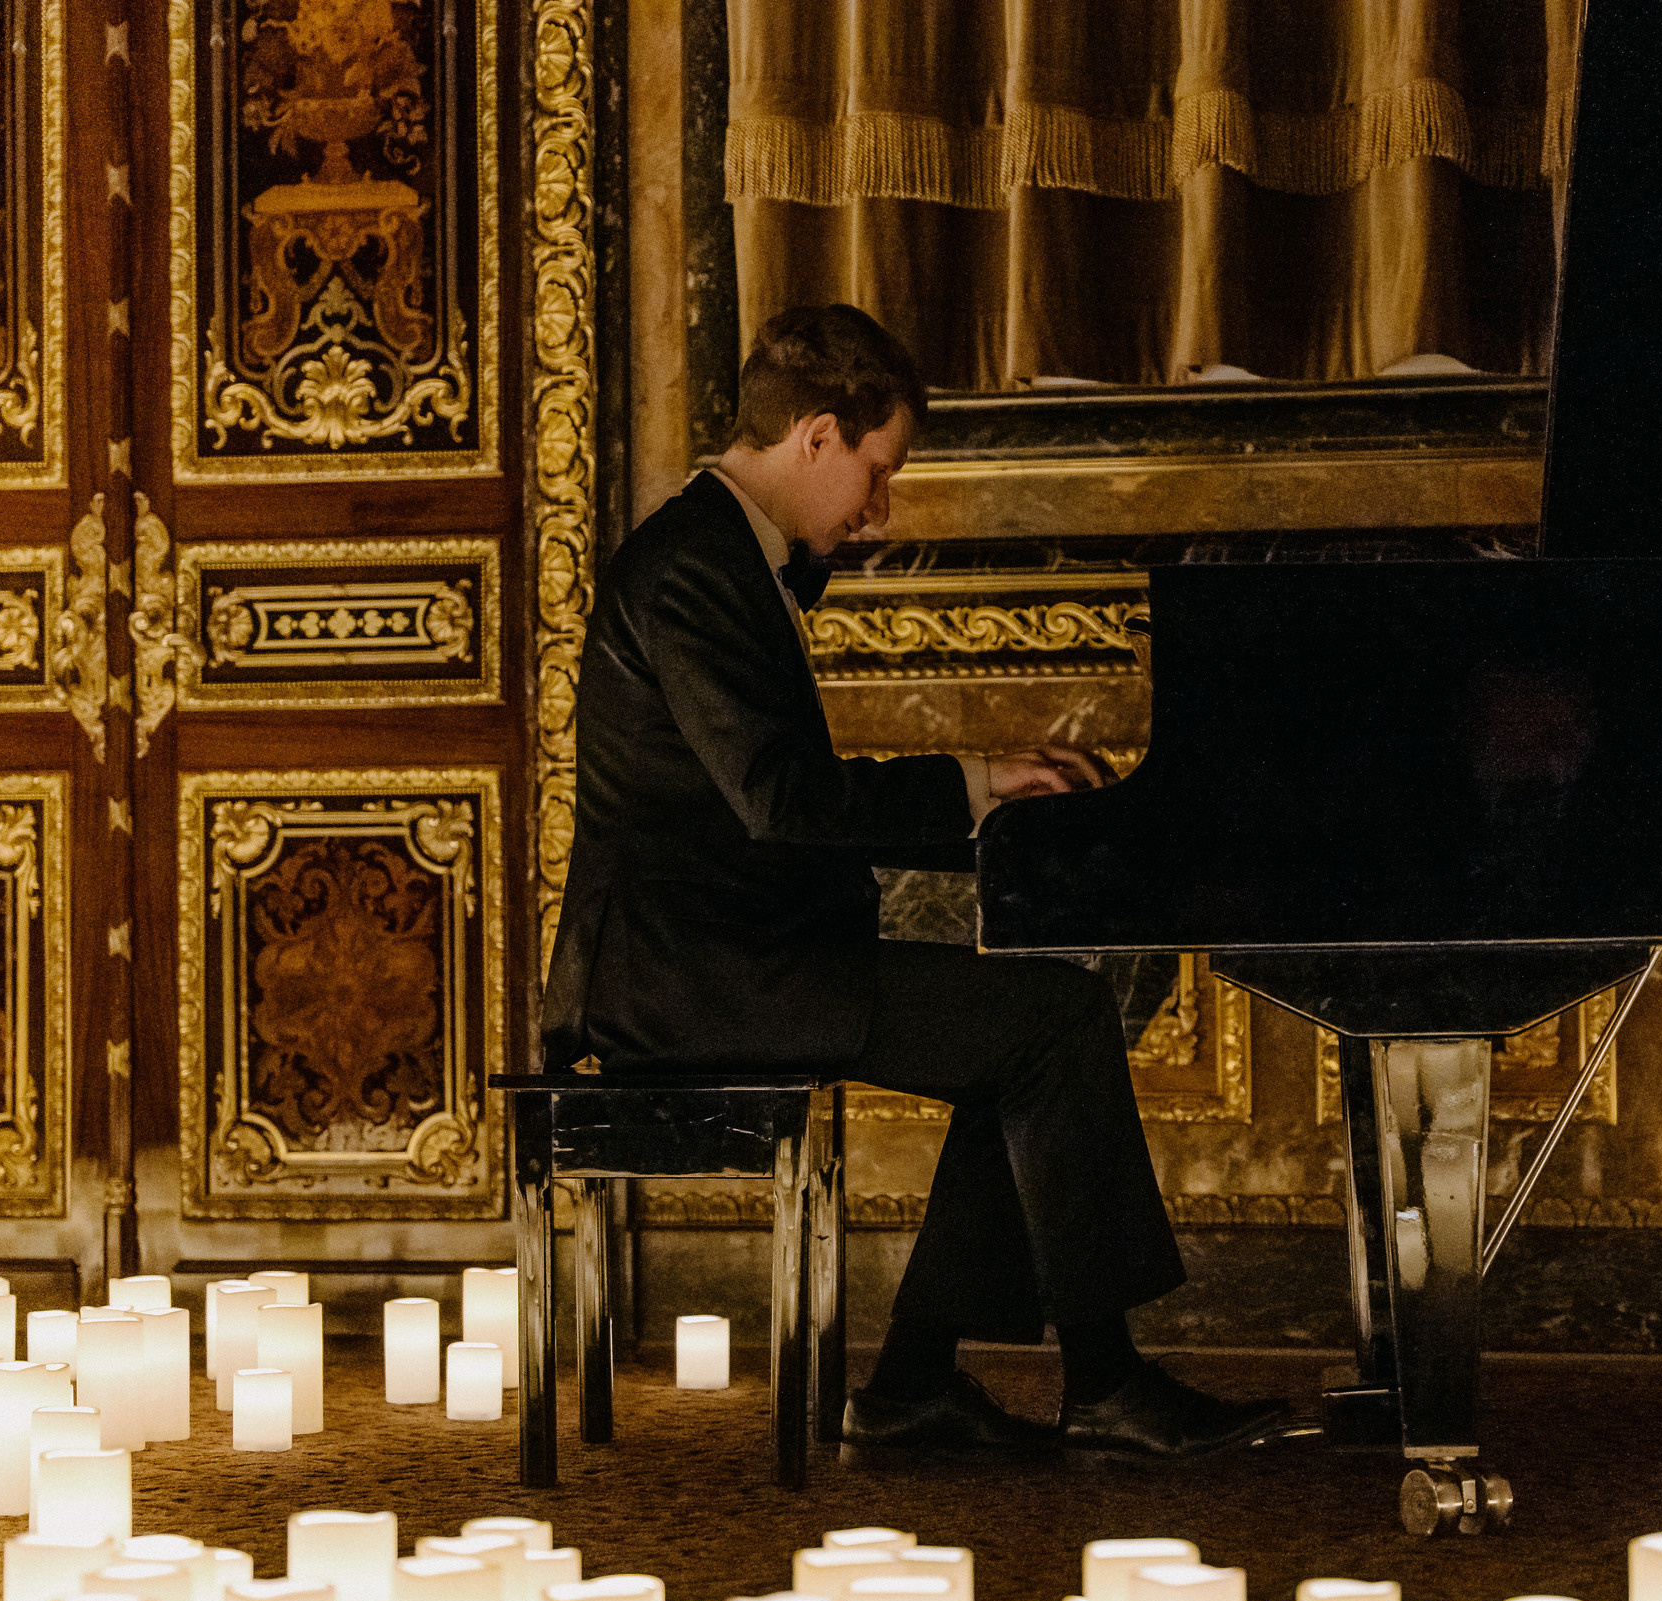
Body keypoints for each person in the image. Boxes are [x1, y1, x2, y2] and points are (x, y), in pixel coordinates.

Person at [540, 303, 1285, 1463]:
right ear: (818, 436)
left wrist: (994, 812)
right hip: (685, 978)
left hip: (735, 955)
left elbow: (782, 803)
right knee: (1050, 1022)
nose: (877, 511)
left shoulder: (726, 554)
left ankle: (919, 1384)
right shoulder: (692, 566)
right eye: (877, 475)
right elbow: (782, 802)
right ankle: (1094, 1380)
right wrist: (978, 788)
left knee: (1029, 1034)